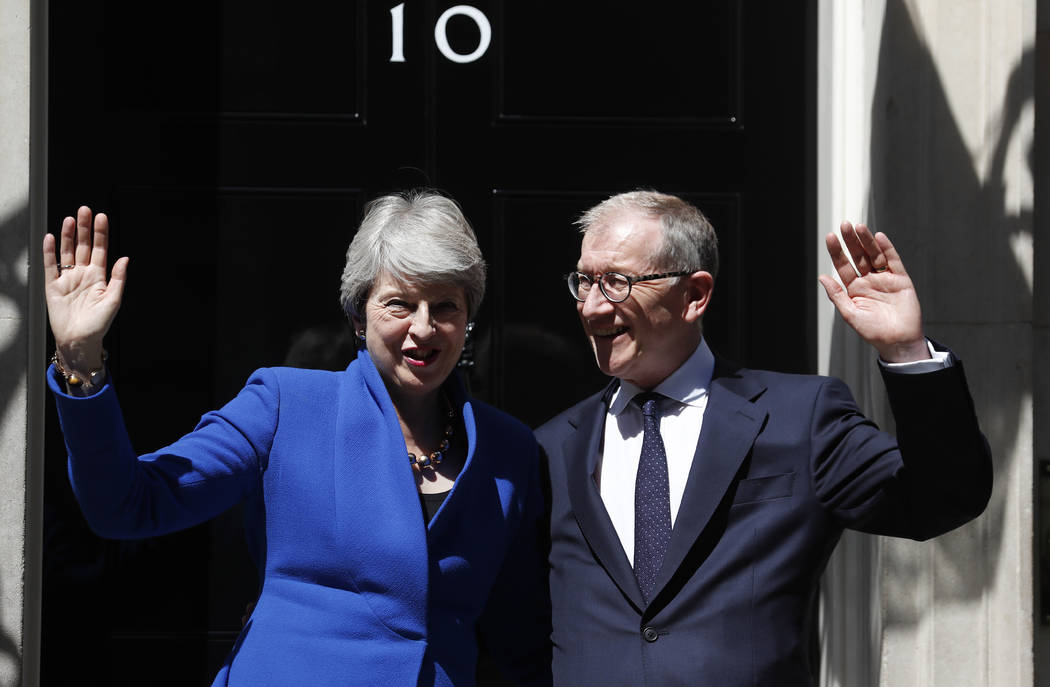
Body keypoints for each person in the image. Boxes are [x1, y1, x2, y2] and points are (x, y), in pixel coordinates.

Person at [43, 192, 550, 687]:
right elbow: (127, 504)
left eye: (445, 307)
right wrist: (80, 360)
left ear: (468, 321)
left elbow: (519, 640)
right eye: (400, 303)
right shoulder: (285, 405)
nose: (423, 328)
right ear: (358, 315)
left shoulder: (509, 450)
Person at [534, 191, 992, 686]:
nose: (593, 308)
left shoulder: (799, 420)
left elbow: (943, 501)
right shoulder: (551, 447)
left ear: (695, 295)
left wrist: (905, 351)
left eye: (618, 283)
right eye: (585, 281)